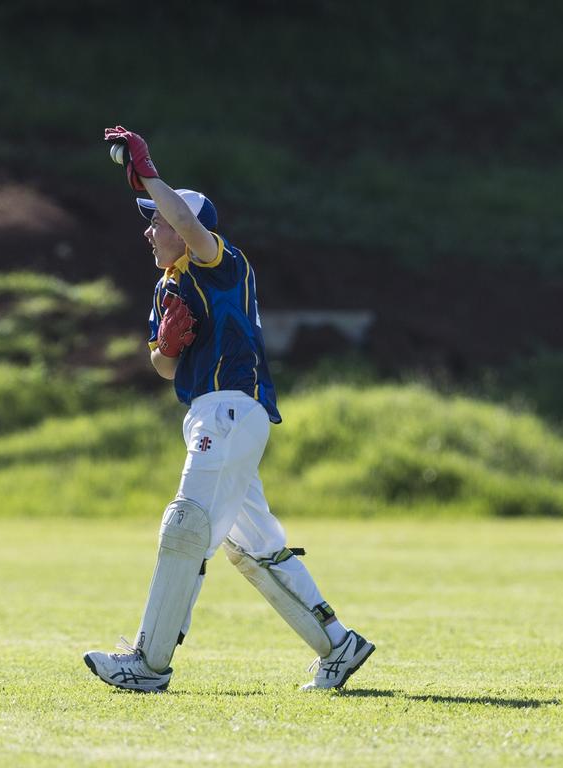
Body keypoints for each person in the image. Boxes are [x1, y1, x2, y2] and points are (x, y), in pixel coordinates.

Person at [83, 125, 373, 692]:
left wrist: (148, 172)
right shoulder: (167, 287)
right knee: (253, 546)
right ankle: (339, 645)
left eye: (157, 219)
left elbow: (191, 226)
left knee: (185, 526)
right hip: (211, 415)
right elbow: (163, 369)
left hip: (231, 411)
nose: (150, 230)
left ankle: (148, 663)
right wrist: (166, 347)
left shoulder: (220, 259)